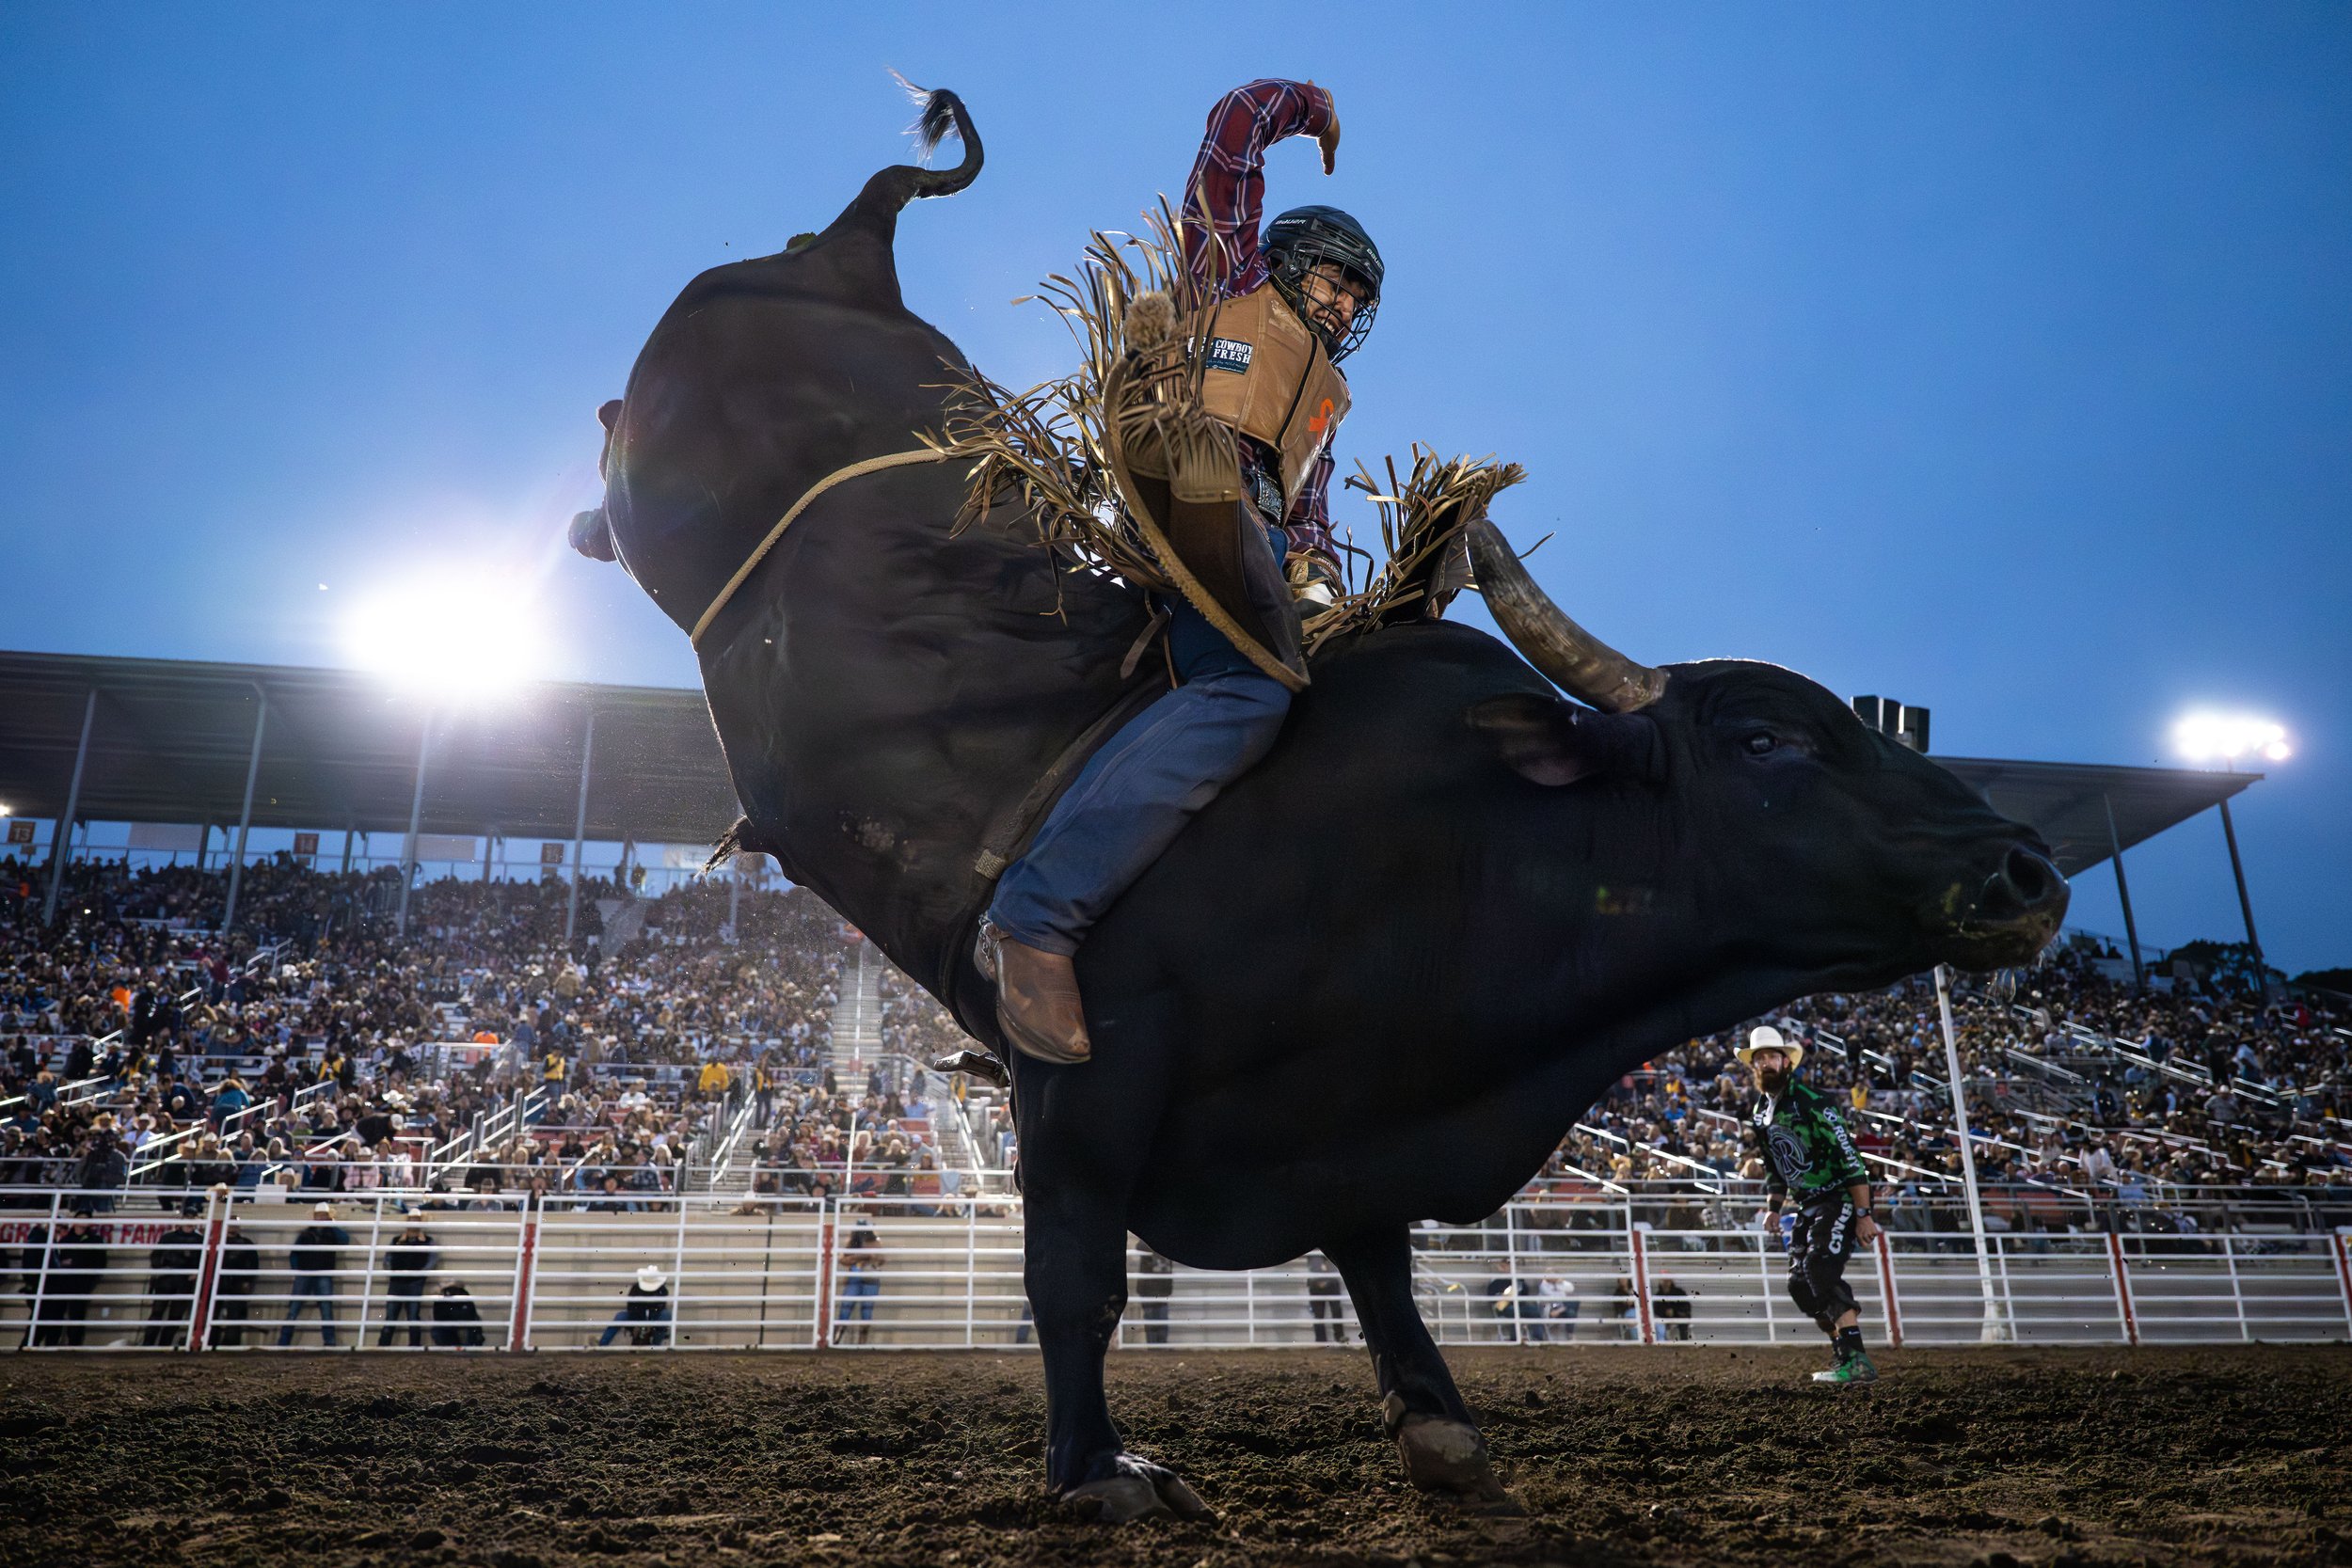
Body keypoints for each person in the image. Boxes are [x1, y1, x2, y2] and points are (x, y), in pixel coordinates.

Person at [978, 76, 1380, 1066]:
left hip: (1256, 548)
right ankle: (1034, 916)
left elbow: (1310, 519)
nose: (1340, 304)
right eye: (1331, 280)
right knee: (1252, 689)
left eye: (1355, 298)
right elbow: (1233, 139)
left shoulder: (1324, 401)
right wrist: (1310, 108)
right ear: (1285, 261)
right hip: (1186, 491)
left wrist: (1324, 588)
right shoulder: (1227, 280)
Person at [1743, 1025, 1880, 1385]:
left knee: (1819, 1267)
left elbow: (1850, 1158)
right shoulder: (1760, 1112)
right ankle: (1843, 1354)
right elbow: (1774, 1165)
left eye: (1772, 1057)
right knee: (1799, 1285)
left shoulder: (1812, 1101)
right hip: (1806, 1203)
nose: (1766, 1063)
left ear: (1786, 1062)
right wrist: (1774, 1207)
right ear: (1754, 1066)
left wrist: (1864, 1214)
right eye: (1760, 1058)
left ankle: (1858, 1360)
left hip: (1838, 1196)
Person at [278, 1201, 349, 1348]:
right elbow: (294, 1254)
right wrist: (297, 1270)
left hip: (318, 1272)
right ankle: (284, 1343)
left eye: (324, 1216)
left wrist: (332, 1225)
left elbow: (345, 1240)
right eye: (319, 1215)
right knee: (299, 1308)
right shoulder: (307, 1233)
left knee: (322, 1309)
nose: (321, 1218)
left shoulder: (327, 1233)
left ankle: (286, 1342)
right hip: (308, 1272)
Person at [141, 1198, 206, 1348]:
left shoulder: (199, 1240)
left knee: (175, 1316)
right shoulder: (168, 1237)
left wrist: (196, 1272)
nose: (189, 1222)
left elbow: (203, 1260)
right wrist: (160, 1269)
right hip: (167, 1279)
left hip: (184, 1282)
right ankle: (148, 1345)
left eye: (192, 1219)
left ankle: (164, 1345)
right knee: (157, 1312)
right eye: (187, 1218)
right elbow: (156, 1256)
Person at [378, 1210, 436, 1348]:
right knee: (395, 1316)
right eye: (411, 1219)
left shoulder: (425, 1241)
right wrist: (392, 1272)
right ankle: (385, 1347)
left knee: (409, 1317)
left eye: (416, 1219)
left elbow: (432, 1261)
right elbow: (387, 1259)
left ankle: (404, 1346)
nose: (413, 1222)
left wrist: (420, 1274)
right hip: (399, 1282)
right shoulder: (398, 1240)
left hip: (412, 1282)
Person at [596, 1264, 672, 1347]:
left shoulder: (662, 1290)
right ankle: (602, 1344)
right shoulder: (636, 1288)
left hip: (654, 1315)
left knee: (665, 1316)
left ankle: (656, 1346)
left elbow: (660, 1307)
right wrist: (637, 1323)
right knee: (620, 1317)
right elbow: (631, 1306)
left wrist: (648, 1321)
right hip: (637, 1315)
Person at [835, 1222, 882, 1344]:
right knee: (847, 1306)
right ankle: (837, 1340)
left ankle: (860, 1344)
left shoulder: (874, 1243)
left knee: (864, 1311)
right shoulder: (854, 1243)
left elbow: (879, 1259)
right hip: (860, 1277)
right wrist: (862, 1257)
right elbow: (843, 1259)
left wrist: (855, 1258)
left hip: (868, 1277)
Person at [431, 1280, 486, 1349]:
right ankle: (449, 1349)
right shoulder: (440, 1300)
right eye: (449, 1289)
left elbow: (470, 1315)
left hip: (464, 1326)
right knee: (437, 1331)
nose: (451, 1291)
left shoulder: (466, 1298)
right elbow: (438, 1317)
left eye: (454, 1289)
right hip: (449, 1327)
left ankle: (469, 1349)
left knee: (473, 1325)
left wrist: (452, 1314)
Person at [1305, 1249, 1344, 1344]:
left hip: (1330, 1281)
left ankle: (1339, 1337)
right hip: (1317, 1282)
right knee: (1319, 1314)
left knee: (1336, 1310)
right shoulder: (1312, 1250)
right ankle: (1321, 1340)